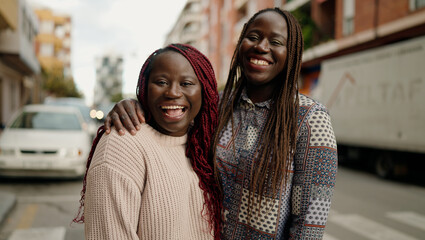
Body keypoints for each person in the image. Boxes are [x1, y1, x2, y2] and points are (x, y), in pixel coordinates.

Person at [105, 8, 338, 239]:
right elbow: (170, 116)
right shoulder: (217, 105)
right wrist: (135, 105)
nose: (261, 47)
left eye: (276, 42)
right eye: (253, 37)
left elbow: (309, 224)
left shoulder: (309, 118)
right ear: (241, 43)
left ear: (292, 53)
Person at [73, 43, 222, 240]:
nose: (173, 93)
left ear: (205, 92)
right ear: (144, 88)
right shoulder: (122, 143)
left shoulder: (204, 144)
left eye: (186, 83)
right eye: (161, 82)